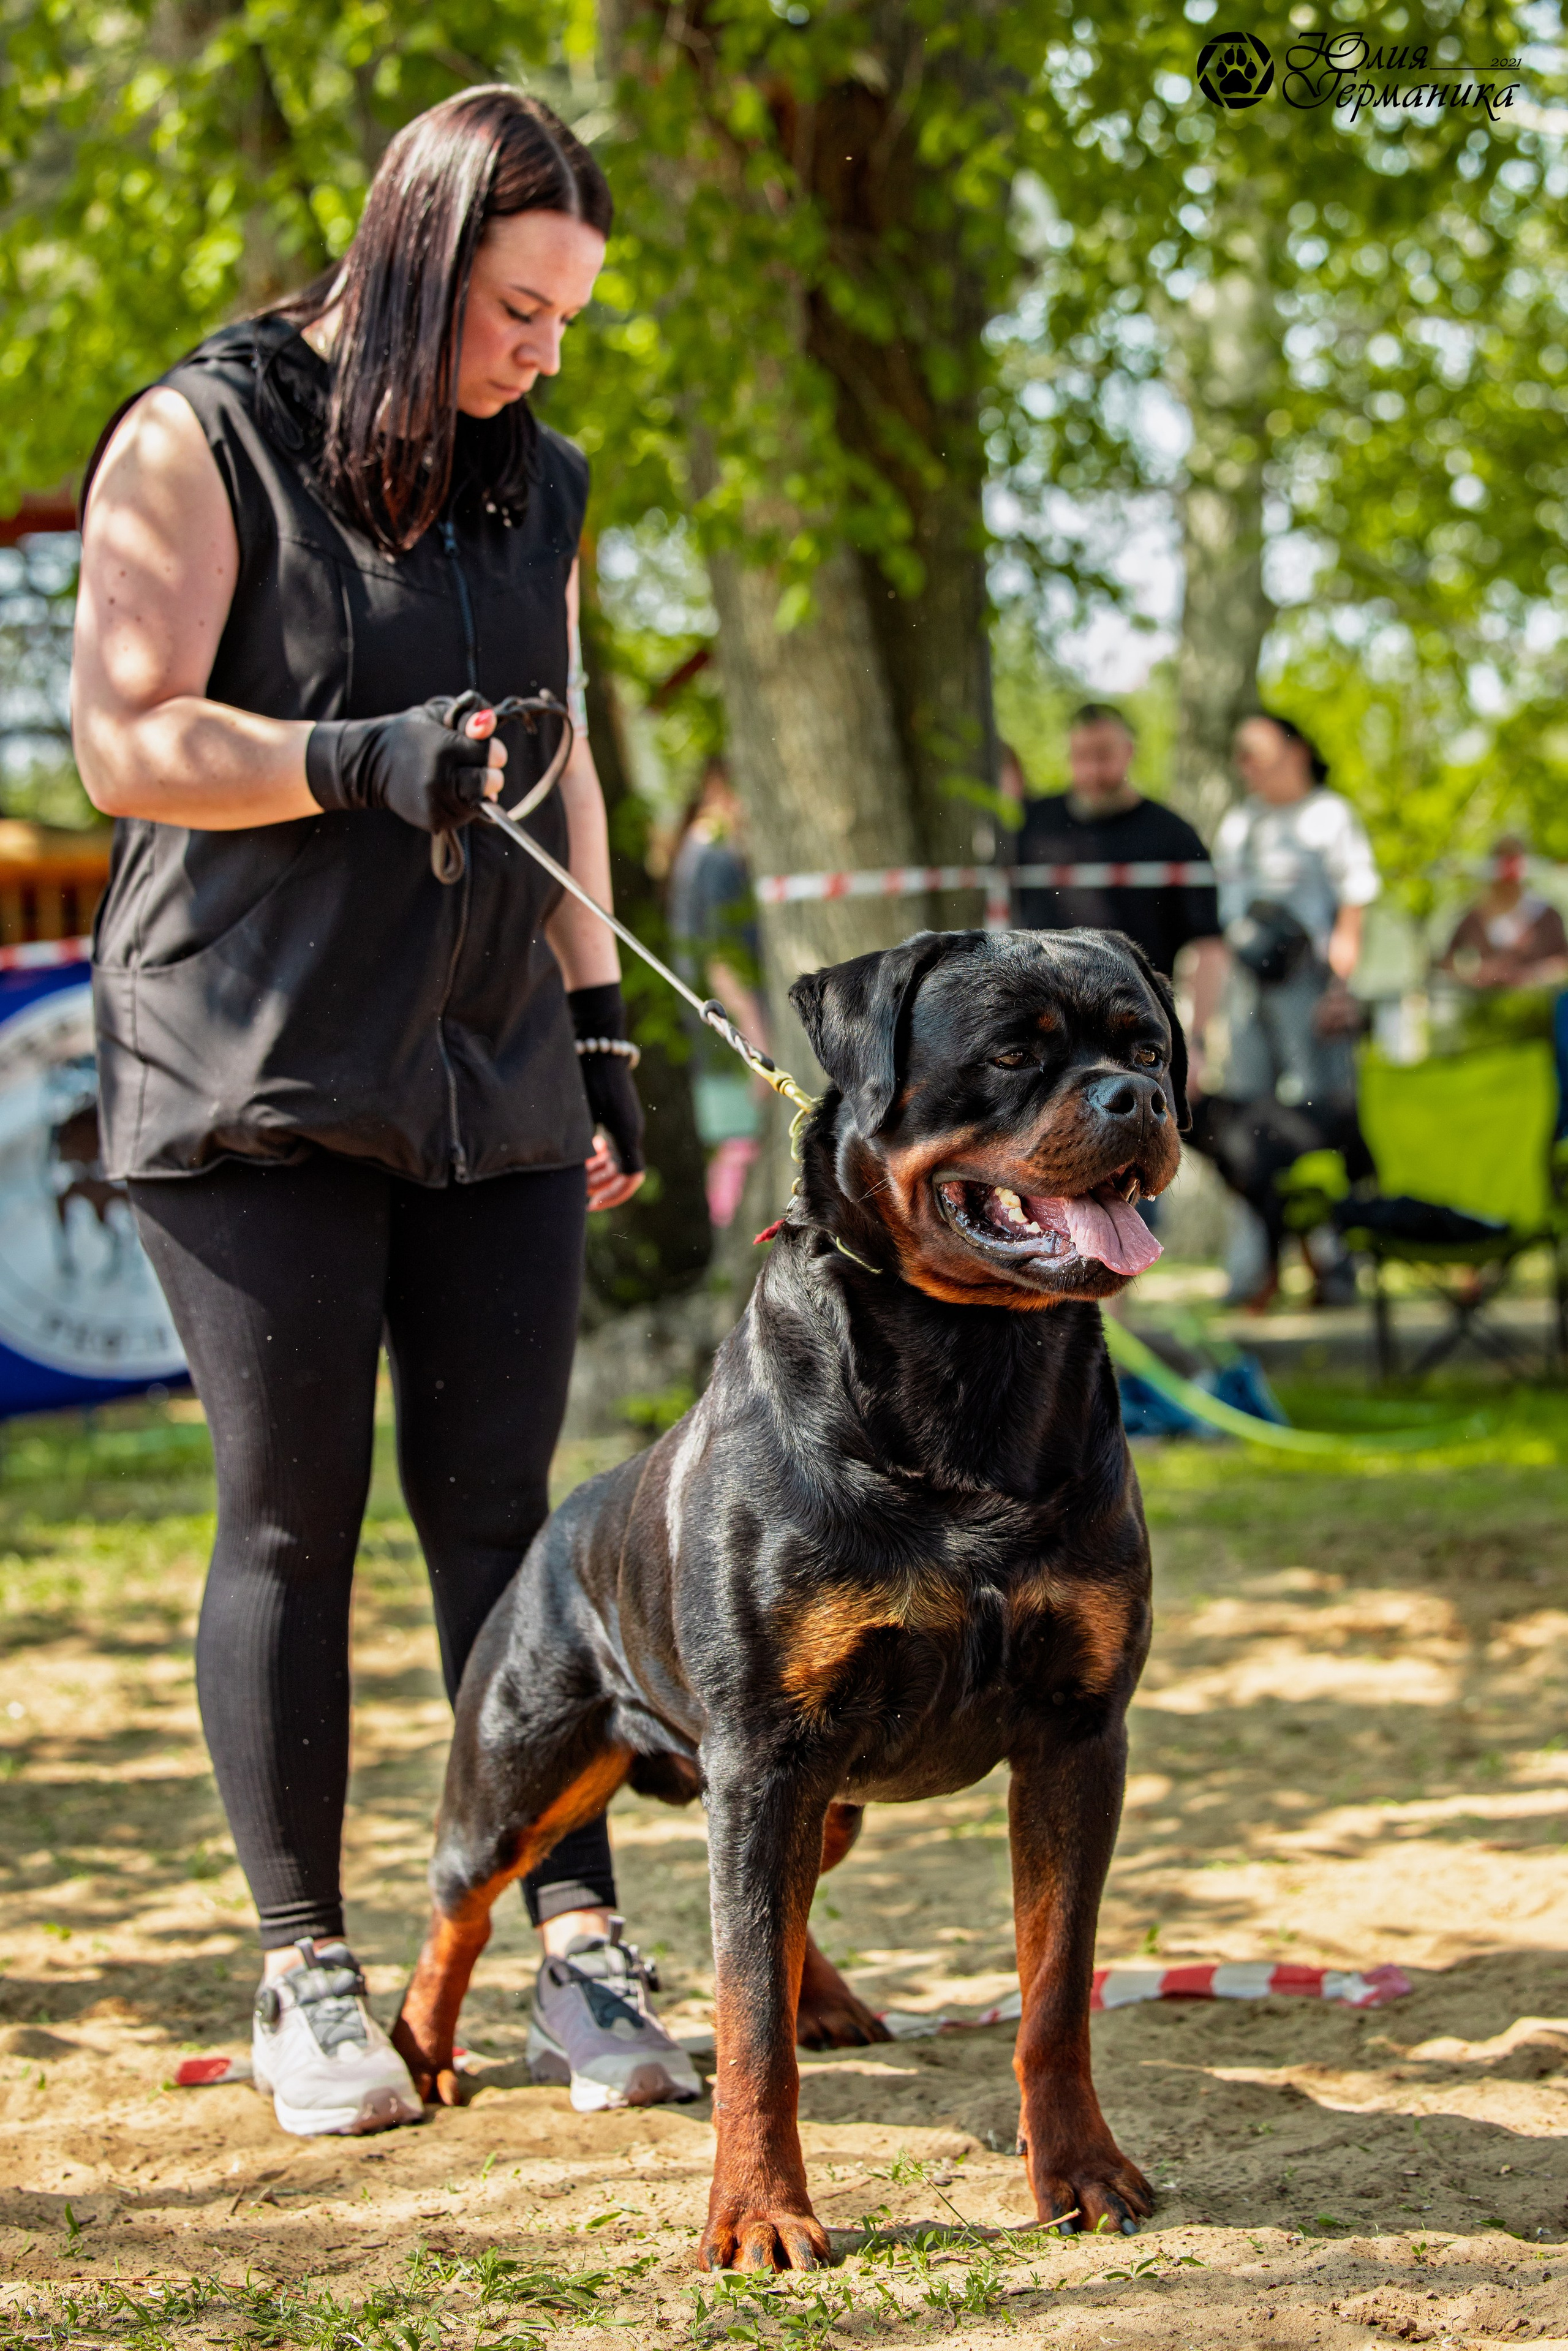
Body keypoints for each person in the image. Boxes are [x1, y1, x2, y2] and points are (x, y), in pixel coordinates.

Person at [70, 86, 700, 2137]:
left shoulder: (549, 483)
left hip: (489, 1053)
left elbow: (569, 753)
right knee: (289, 1513)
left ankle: (574, 1942)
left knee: (513, 1517)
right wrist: (354, 759)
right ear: (424, 260)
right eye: (521, 309)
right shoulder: (208, 432)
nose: (543, 352)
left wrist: (604, 1027)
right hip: (252, 1056)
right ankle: (308, 1969)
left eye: (570, 321)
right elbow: (124, 735)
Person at [1204, 712, 1381, 1307]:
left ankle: (1333, 1265)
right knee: (1245, 1131)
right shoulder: (1241, 822)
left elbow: (1352, 908)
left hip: (1310, 985)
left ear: (1295, 750)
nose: (1247, 766)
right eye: (1240, 756)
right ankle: (1251, 1269)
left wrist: (1339, 987)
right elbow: (1226, 914)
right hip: (1249, 984)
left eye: (1257, 753)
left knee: (1318, 1120)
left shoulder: (1330, 816)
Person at [1006, 706, 1227, 1090]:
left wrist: (1196, 1043)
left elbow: (1209, 948)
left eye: (1104, 756)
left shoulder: (1173, 835)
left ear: (1129, 752)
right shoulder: (1030, 827)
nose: (1091, 771)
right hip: (1039, 1035)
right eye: (1080, 757)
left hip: (1136, 1035)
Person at [667, 757, 767, 1228]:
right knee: (742, 1145)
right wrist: (755, 1041)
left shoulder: (691, 852)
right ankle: (738, 1241)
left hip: (708, 1028)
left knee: (731, 1147)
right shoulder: (717, 858)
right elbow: (721, 960)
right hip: (728, 1030)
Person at [1439, 836, 1568, 990]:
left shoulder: (1546, 915)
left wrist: (1536, 974)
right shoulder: (1474, 918)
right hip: (1483, 1005)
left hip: (1537, 1006)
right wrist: (1477, 970)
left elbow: (1564, 960)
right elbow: (1447, 961)